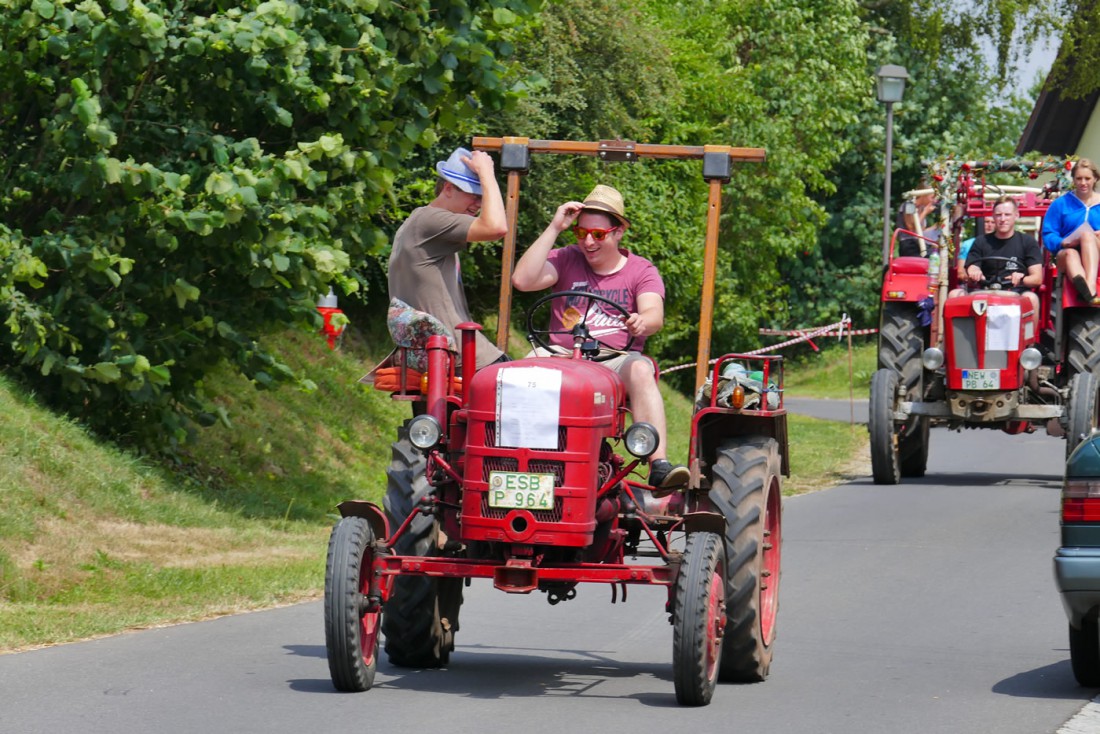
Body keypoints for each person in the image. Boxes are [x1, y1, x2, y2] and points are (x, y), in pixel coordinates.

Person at [511, 184, 689, 491]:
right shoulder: (567, 258)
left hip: (613, 360)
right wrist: (555, 227)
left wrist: (640, 321)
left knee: (641, 369)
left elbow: (654, 315)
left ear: (618, 232)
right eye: (581, 234)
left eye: (598, 234)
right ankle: (513, 459)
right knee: (520, 371)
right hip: (561, 355)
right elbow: (522, 280)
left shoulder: (641, 270)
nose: (588, 242)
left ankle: (657, 462)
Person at [387, 147, 509, 369]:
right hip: (463, 358)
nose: (479, 204)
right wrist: (487, 174)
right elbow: (497, 227)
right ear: (448, 188)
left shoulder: (417, 223)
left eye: (482, 197)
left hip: (440, 357)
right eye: (474, 195)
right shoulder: (429, 220)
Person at [950, 196, 1043, 314]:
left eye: (1007, 214)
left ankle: (1029, 333)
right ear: (993, 217)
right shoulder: (981, 242)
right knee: (954, 294)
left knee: (1032, 298)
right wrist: (974, 271)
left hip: (1016, 293)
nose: (1003, 219)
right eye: (999, 215)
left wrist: (1021, 279)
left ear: (1016, 216)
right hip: (985, 291)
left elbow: (1037, 278)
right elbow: (973, 265)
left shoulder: (1028, 242)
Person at [1042, 158, 1100, 303]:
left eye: (1087, 178)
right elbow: (1048, 234)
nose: (1083, 183)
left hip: (1097, 249)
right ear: (1073, 179)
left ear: (1095, 179)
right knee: (1070, 253)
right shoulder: (1060, 204)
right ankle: (1085, 289)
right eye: (1079, 178)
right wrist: (1064, 242)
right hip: (1068, 253)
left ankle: (1089, 286)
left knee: (1087, 236)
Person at [896, 189, 939, 257]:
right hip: (909, 245)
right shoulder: (909, 205)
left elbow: (921, 231)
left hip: (918, 243)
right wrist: (925, 212)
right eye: (932, 197)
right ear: (923, 195)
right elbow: (910, 227)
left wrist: (936, 227)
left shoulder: (922, 208)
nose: (934, 201)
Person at [957, 217, 995, 282]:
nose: (990, 225)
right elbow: (961, 272)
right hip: (975, 285)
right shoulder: (968, 244)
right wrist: (974, 276)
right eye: (986, 222)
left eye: (993, 222)